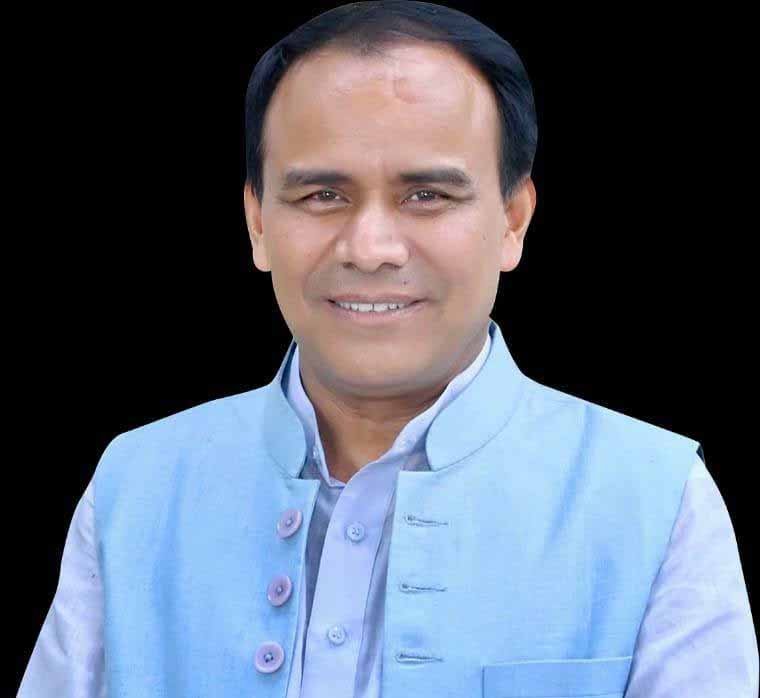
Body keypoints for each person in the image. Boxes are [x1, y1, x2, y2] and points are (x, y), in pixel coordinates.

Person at [19, 2, 758, 696]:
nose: (370, 247)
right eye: (322, 196)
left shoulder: (653, 496)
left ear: (513, 220)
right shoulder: (138, 484)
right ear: (258, 223)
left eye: (426, 196)